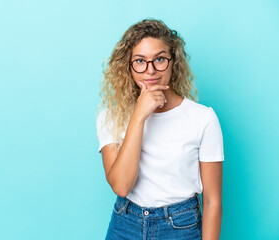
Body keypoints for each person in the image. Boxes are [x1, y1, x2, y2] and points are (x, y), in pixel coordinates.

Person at [96, 18, 224, 240]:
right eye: (140, 61)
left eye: (160, 59)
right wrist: (138, 116)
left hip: (180, 226)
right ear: (128, 66)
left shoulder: (203, 119)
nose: (151, 70)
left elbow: (213, 201)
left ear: (173, 62)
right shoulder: (110, 117)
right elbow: (121, 186)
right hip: (125, 223)